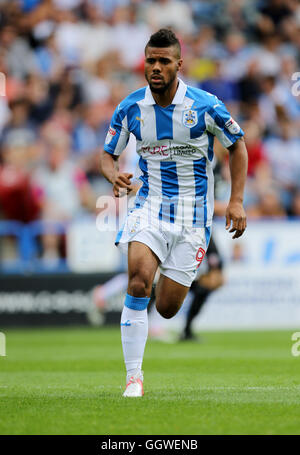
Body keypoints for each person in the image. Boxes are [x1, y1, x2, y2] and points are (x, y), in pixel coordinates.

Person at [99, 29, 248, 397]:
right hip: (149, 205)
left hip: (193, 218)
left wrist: (236, 200)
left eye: (164, 61)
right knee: (138, 280)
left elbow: (238, 145)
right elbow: (107, 154)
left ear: (179, 65)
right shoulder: (130, 107)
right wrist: (113, 175)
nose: (156, 67)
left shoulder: (206, 105)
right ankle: (134, 377)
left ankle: (167, 275)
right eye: (151, 60)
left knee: (166, 308)